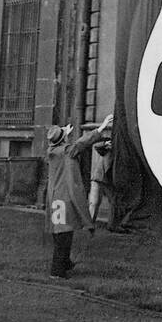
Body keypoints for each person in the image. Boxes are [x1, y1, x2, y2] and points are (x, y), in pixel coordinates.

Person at [45, 117, 110, 278]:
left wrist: (64, 132)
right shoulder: (67, 151)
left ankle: (64, 263)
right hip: (64, 198)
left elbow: (65, 143)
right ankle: (57, 271)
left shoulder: (53, 150)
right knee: (64, 235)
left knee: (60, 233)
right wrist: (101, 127)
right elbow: (83, 142)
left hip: (54, 197)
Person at [87, 114, 114, 223]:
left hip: (108, 179)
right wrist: (106, 143)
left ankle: (112, 224)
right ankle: (90, 224)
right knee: (94, 202)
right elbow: (97, 146)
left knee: (113, 203)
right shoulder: (109, 143)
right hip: (99, 177)